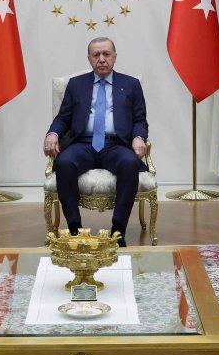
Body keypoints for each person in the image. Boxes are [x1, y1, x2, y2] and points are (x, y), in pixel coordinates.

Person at [43, 37, 148, 247]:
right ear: (89, 59)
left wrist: (138, 138)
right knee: (64, 163)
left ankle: (118, 232)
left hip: (116, 145)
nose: (101, 59)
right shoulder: (76, 84)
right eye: (96, 55)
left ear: (115, 57)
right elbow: (63, 118)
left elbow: (140, 120)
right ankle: (75, 231)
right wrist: (52, 134)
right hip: (83, 144)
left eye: (106, 54)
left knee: (129, 163)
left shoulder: (131, 84)